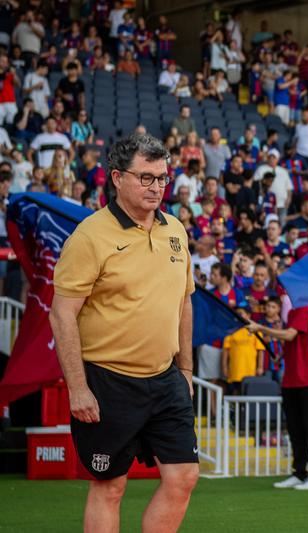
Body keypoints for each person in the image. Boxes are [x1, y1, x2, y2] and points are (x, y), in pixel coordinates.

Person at [50, 134, 198, 532]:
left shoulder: (176, 231)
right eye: (145, 178)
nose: (156, 188)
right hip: (108, 380)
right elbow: (62, 315)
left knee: (183, 476)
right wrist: (78, 387)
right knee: (110, 485)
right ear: (117, 177)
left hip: (166, 377)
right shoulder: (89, 236)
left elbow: (185, 302)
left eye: (162, 179)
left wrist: (185, 371)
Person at [249, 304, 308, 490]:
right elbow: (295, 340)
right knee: (295, 430)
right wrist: (282, 354)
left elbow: (290, 335)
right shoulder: (293, 312)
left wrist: (260, 328)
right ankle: (299, 473)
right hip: (291, 379)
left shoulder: (306, 309)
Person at [222, 303, 265, 395]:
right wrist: (224, 367)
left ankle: (245, 410)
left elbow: (260, 351)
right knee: (235, 391)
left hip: (250, 370)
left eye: (241, 313)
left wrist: (260, 367)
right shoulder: (231, 330)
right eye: (236, 313)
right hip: (235, 369)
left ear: (248, 315)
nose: (238, 315)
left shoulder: (255, 331)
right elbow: (226, 351)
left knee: (249, 392)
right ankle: (236, 409)